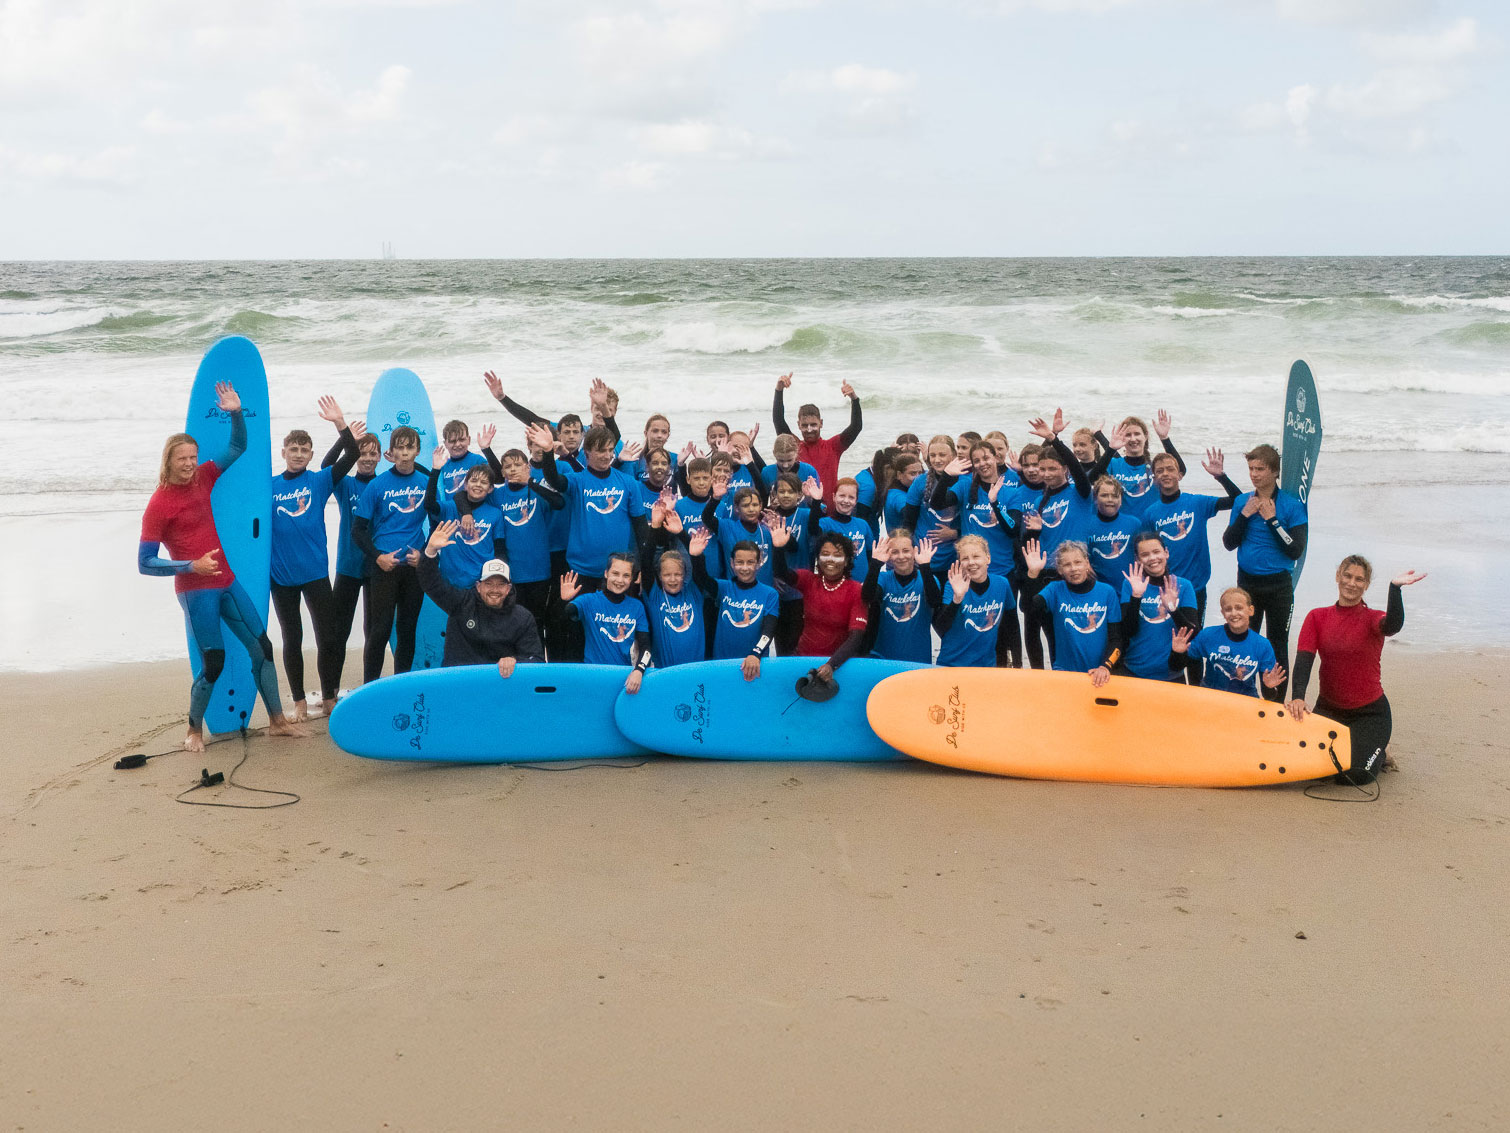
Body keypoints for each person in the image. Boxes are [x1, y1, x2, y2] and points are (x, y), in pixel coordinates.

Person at [139, 381, 307, 751]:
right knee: (213, 663)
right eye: (182, 459)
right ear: (168, 461)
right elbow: (145, 562)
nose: (189, 464)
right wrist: (190, 566)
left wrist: (236, 412)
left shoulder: (203, 477)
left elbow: (237, 447)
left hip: (227, 581)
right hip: (195, 592)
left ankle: (277, 721)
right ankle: (193, 731)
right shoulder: (159, 504)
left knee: (262, 647)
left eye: (192, 457)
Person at [1287, 557, 1427, 785]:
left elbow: (1393, 625)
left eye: (1359, 579)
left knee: (1353, 776)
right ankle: (1359, 746)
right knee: (1317, 771)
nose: (1352, 583)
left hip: (1369, 714)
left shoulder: (1373, 619)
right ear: (1338, 577)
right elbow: (1304, 659)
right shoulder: (1317, 617)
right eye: (1347, 576)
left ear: (1366, 585)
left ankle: (1381, 752)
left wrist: (1395, 588)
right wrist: (1298, 697)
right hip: (1330, 710)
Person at [269, 397, 359, 720]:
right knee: (291, 638)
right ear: (283, 452)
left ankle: (329, 695)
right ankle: (299, 702)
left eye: (304, 450)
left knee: (328, 638)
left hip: (315, 573)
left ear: (310, 455)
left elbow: (353, 454)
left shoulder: (320, 481)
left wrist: (340, 423)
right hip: (280, 576)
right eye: (293, 449)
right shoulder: (268, 486)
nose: (298, 454)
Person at [1222, 443, 1307, 700]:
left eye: (1260, 469)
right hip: (1247, 585)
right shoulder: (1242, 502)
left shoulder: (1292, 505)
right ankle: (1245, 696)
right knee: (1246, 640)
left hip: (1279, 585)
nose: (1254, 474)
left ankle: (1275, 702)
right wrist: (1244, 516)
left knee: (1277, 643)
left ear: (1275, 471)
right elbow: (1228, 543)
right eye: (1251, 468)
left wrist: (1273, 521)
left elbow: (1295, 550)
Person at [352, 425, 430, 683]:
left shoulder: (426, 483)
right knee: (380, 630)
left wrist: (425, 554)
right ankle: (370, 687)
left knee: (407, 629)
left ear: (417, 451)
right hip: (384, 567)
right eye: (400, 448)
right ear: (391, 452)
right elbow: (358, 530)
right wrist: (378, 557)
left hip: (413, 568)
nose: (404, 453)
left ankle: (401, 686)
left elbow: (439, 522)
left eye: (410, 448)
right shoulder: (377, 485)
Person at [417, 520, 544, 675]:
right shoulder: (461, 604)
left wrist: (514, 661)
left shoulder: (523, 618)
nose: (494, 590)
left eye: (501, 584)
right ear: (478, 586)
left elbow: (536, 658)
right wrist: (430, 551)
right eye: (489, 584)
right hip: (459, 681)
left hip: (498, 684)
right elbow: (431, 584)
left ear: (508, 589)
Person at [1141, 448, 1242, 624]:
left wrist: (1221, 476)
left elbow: (1237, 500)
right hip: (1165, 587)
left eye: (1170, 469)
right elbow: (1146, 552)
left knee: (1194, 635)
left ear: (1180, 475)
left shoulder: (1198, 503)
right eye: (1160, 471)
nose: (1165, 473)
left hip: (1196, 586)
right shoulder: (1150, 513)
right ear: (1154, 478)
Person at [322, 418, 381, 692]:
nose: (367, 458)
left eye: (372, 454)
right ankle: (331, 691)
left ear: (380, 457)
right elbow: (326, 467)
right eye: (362, 453)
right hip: (348, 565)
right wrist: (344, 441)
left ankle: (370, 689)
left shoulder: (385, 485)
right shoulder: (345, 485)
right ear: (356, 456)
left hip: (377, 566)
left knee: (373, 631)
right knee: (338, 631)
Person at [769, 525, 869, 683]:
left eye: (837, 555)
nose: (830, 559)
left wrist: (831, 665)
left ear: (846, 561)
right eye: (825, 554)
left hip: (837, 666)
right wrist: (778, 548)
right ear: (818, 558)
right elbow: (783, 574)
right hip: (803, 660)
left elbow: (856, 637)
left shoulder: (856, 590)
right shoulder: (809, 580)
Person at [1022, 538, 1121, 685]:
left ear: (1087, 563)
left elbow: (1117, 638)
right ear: (1060, 569)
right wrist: (1032, 574)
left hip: (1099, 675)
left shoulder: (1107, 592)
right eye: (1067, 565)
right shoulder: (1055, 590)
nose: (1074, 568)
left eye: (1078, 562)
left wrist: (1106, 666)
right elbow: (1028, 608)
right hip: (1065, 674)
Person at [687, 529, 779, 679]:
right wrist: (696, 557)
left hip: (752, 664)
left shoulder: (770, 594)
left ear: (759, 563)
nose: (745, 567)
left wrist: (756, 653)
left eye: (750, 562)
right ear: (732, 563)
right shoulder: (724, 588)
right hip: (722, 665)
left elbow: (769, 630)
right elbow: (702, 578)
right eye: (740, 562)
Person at [557, 552, 653, 693]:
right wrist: (564, 601)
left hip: (624, 678)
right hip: (593, 676)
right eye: (615, 573)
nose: (620, 580)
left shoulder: (637, 607)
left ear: (632, 578)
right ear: (606, 573)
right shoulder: (588, 600)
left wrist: (639, 670)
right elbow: (563, 618)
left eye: (626, 575)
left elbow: (646, 647)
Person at [1169, 587, 1285, 698]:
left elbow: (1269, 696)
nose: (1233, 613)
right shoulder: (1208, 635)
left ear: (1251, 610)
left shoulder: (1263, 645)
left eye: (1239, 608)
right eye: (1228, 609)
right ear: (1223, 613)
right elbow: (1176, 667)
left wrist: (1269, 687)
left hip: (1246, 700)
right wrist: (1178, 653)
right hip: (1211, 697)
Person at [772, 372, 862, 507]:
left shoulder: (833, 446)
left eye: (813, 424)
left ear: (821, 423)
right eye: (804, 425)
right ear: (798, 425)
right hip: (802, 511)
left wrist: (854, 399)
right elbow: (779, 421)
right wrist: (779, 390)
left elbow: (856, 427)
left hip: (829, 511)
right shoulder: (795, 446)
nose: (809, 429)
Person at [1117, 533, 1199, 682]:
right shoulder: (1130, 584)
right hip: (1133, 672)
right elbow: (1127, 632)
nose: (1152, 558)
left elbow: (1193, 634)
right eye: (1145, 555)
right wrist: (1136, 597)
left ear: (1166, 552)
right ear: (1137, 559)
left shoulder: (1184, 585)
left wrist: (1173, 609)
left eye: (1156, 552)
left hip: (1171, 675)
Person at [933, 534, 1021, 668]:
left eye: (976, 556)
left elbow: (1013, 627)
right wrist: (957, 599)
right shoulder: (952, 586)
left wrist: (1018, 664)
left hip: (986, 667)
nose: (971, 562)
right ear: (960, 563)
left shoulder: (1002, 584)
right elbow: (940, 628)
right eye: (965, 558)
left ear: (988, 558)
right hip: (952, 665)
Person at [862, 532, 941, 663]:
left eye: (906, 551)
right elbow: (867, 597)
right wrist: (875, 564)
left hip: (918, 659)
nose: (901, 556)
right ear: (889, 555)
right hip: (883, 657)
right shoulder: (883, 578)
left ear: (914, 551)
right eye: (895, 552)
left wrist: (925, 567)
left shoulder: (927, 578)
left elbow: (935, 603)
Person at [1096, 412, 1186, 520]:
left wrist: (1164, 438)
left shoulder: (1156, 467)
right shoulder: (1114, 464)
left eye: (1137, 434)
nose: (1133, 439)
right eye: (1128, 435)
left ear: (1145, 436)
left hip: (1152, 524)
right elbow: (1094, 478)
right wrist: (1111, 449)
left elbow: (1180, 471)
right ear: (1122, 438)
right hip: (1123, 526)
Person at [641, 540, 708, 669]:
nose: (673, 579)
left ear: (685, 575)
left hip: (695, 670)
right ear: (659, 576)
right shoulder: (655, 597)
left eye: (678, 574)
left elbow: (700, 570)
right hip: (666, 673)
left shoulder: (694, 593)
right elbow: (646, 562)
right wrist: (654, 530)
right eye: (667, 575)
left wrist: (695, 553)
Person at [1085, 477, 1141, 589]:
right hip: (1099, 589)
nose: (1110, 500)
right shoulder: (1086, 525)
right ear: (1095, 497)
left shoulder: (1134, 524)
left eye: (1115, 496)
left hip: (1130, 588)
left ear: (1121, 499)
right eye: (1104, 495)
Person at [819, 477, 872, 575]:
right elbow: (812, 530)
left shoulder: (863, 525)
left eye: (851, 497)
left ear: (856, 500)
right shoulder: (824, 524)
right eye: (842, 496)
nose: (846, 500)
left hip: (862, 581)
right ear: (834, 497)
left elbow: (870, 555)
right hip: (835, 580)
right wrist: (816, 501)